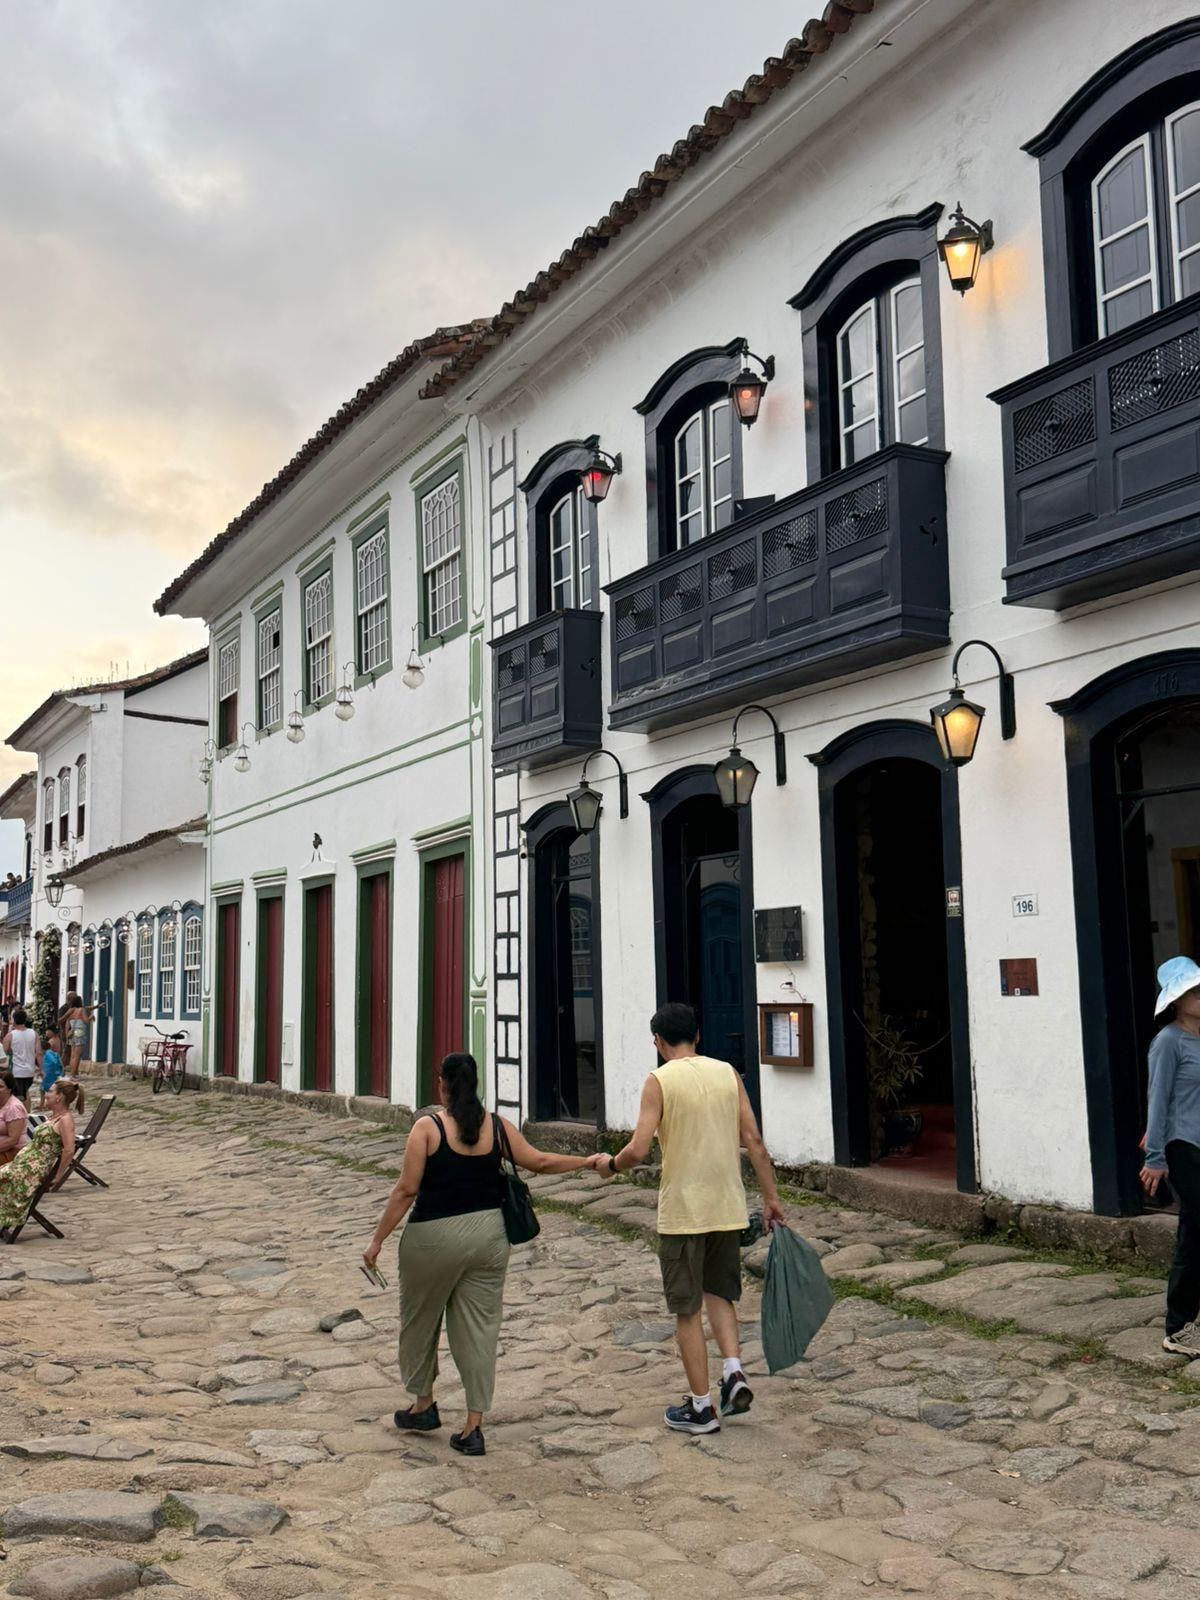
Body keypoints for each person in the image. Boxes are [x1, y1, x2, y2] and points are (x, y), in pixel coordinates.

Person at [364, 1052, 607, 1457]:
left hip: (432, 1238)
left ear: (441, 1082)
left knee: (420, 1321)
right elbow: (540, 1162)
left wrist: (376, 1241)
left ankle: (423, 1404)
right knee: (479, 1328)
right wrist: (588, 1160)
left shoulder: (428, 1128)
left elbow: (406, 1190)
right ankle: (473, 1427)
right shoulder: (496, 1126)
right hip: (489, 1238)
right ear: (476, 1083)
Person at [597, 1001, 785, 1434]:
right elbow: (753, 1140)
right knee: (721, 1293)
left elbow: (639, 1148)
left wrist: (611, 1166)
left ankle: (701, 1407)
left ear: (658, 1042)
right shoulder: (727, 1074)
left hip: (683, 1212)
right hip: (727, 1206)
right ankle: (733, 1370)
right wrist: (771, 1198)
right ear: (698, 1035)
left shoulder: (659, 1081)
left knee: (686, 1309)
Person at [1140, 955, 1200, 1357]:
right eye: (1193, 991)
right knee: (1193, 1234)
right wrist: (1155, 1157)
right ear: (1176, 1001)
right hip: (1183, 1147)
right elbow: (1157, 1102)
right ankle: (1177, 1328)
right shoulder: (1168, 1042)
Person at [0, 1076, 78, 1230]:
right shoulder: (55, 1117)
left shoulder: (65, 1120)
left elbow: (69, 1149)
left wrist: (58, 1176)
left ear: (59, 1097)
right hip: (24, 1164)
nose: (46, 1094)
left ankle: (6, 1217)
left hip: (31, 1170)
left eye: (50, 1091)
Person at [2, 1007, 41, 1103]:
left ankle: (21, 1116)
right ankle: (26, 1114)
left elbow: (4, 1052)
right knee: (25, 1094)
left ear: (14, 1020)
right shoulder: (34, 1033)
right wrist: (41, 1069)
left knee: (18, 1098)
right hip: (30, 1071)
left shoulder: (11, 1035)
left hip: (17, 1071)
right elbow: (39, 1053)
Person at [60, 993, 98, 1075]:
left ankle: (73, 1073)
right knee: (77, 1055)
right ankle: (73, 1074)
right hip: (79, 1031)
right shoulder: (81, 1010)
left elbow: (66, 1022)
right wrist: (91, 1016)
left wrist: (66, 1034)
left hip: (72, 1032)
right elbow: (86, 1021)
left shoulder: (70, 1010)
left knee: (73, 1055)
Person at [0, 1072, 28, 1166]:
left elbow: (13, 1140)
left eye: (0, 1086)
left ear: (9, 1089)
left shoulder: (14, 1108)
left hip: (13, 1152)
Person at [40, 1030, 65, 1097]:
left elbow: (54, 1062)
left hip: (51, 1075)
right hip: (53, 1074)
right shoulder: (50, 1053)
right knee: (43, 1089)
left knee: (45, 1089)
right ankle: (42, 1104)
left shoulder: (48, 1053)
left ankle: (44, 1103)